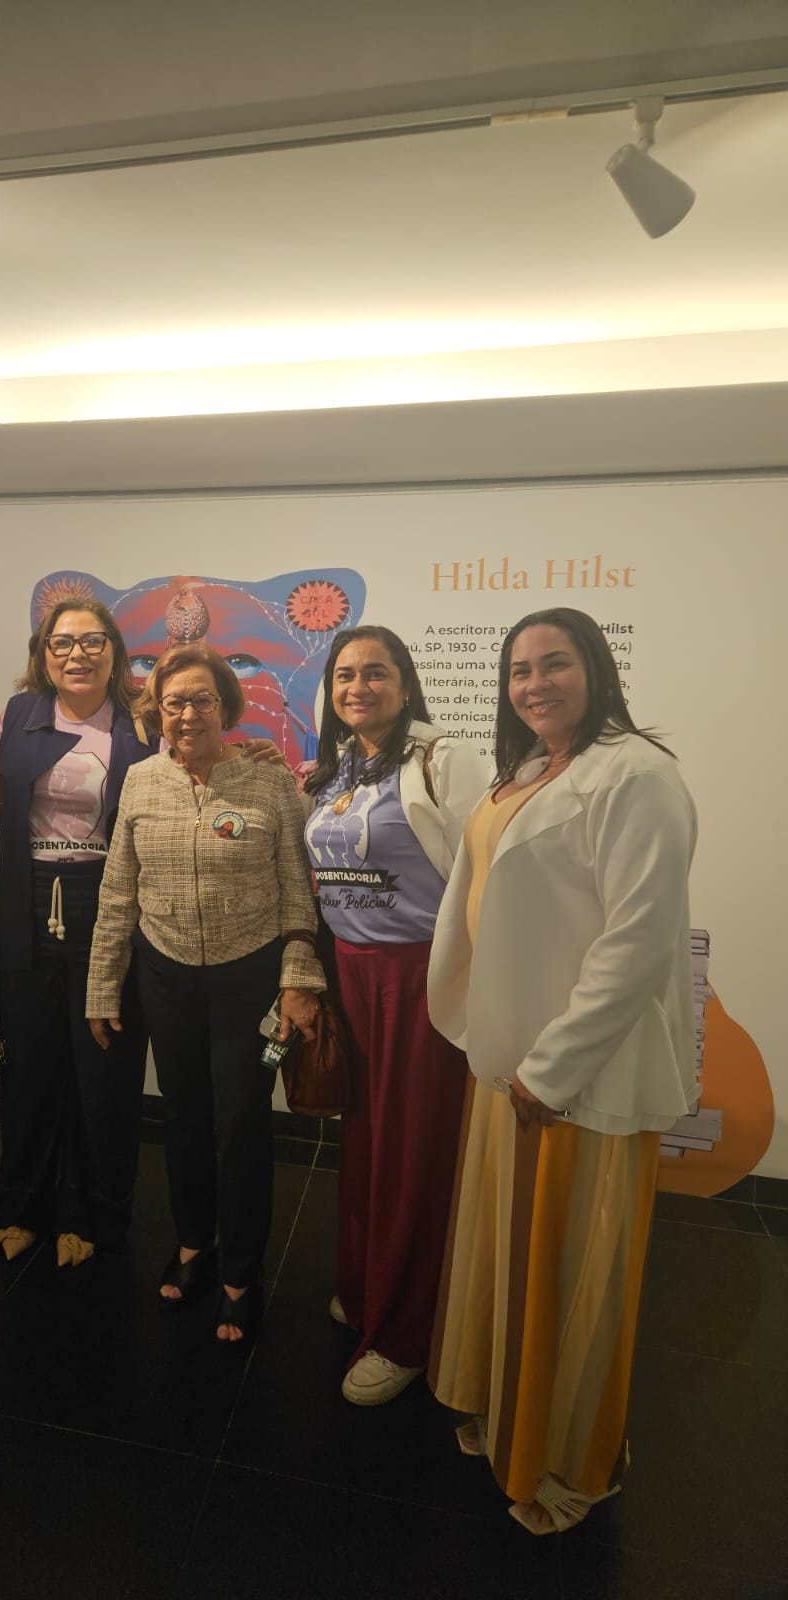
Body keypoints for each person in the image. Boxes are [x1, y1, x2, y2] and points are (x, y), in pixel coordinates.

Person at [426, 607, 697, 1536]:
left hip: (580, 1076)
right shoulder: (532, 773)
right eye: (520, 670)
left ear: (597, 670)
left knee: (574, 1279)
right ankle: (510, 1417)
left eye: (556, 664)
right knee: (515, 1264)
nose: (535, 684)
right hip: (510, 1066)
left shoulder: (638, 775)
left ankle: (569, 1462)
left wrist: (552, 1067)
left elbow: (638, 940)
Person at [87, 644, 325, 1344]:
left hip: (249, 979)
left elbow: (297, 891)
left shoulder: (267, 781)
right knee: (185, 1117)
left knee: (242, 1124)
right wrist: (102, 986)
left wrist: (297, 978)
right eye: (174, 702)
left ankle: (241, 1272)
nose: (187, 714)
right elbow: (118, 891)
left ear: (226, 708)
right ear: (156, 711)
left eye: (202, 700)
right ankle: (195, 1242)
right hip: (165, 977)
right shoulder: (139, 781)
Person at [303, 626, 486, 1405]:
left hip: (419, 980)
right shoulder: (334, 769)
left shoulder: (444, 759)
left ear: (406, 684)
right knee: (366, 1143)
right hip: (351, 975)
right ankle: (366, 1285)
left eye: (375, 673)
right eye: (344, 675)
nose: (358, 687)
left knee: (415, 1154)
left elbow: (485, 876)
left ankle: (408, 1333)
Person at [0, 600, 154, 1267]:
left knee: (103, 1070)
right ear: (43, 653)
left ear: (114, 652)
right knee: (30, 1067)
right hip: (25, 903)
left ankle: (93, 1213)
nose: (77, 653)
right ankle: (22, 1206)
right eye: (62, 642)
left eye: (92, 641)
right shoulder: (16, 716)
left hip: (110, 904)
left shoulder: (143, 722)